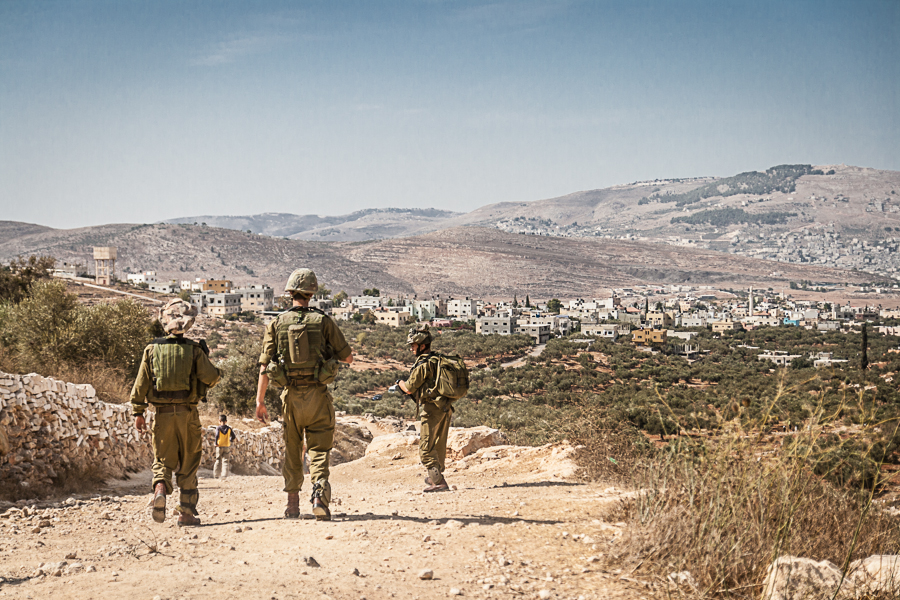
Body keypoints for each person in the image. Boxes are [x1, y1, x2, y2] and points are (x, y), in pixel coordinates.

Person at [255, 268, 353, 521]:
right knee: (319, 449)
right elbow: (348, 357)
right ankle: (319, 495)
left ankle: (292, 504)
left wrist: (260, 401)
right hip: (318, 395)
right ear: (312, 293)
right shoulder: (323, 321)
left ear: (290, 293)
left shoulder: (276, 323)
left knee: (292, 448)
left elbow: (265, 367)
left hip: (290, 398)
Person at [131, 298, 221, 526]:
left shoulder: (152, 349)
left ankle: (160, 488)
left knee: (162, 459)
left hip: (161, 416)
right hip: (187, 414)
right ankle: (186, 513)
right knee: (189, 462)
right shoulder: (194, 350)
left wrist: (138, 412)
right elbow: (212, 378)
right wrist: (206, 358)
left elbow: (140, 385)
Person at [397, 323, 453, 493]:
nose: (411, 349)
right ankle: (435, 475)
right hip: (445, 407)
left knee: (426, 449)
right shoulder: (438, 359)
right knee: (438, 445)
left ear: (422, 345)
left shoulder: (423, 364)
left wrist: (399, 383)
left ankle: (439, 481)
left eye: (413, 346)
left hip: (431, 409)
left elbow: (409, 388)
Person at [213, 414, 237, 479]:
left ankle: (216, 475)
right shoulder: (229, 429)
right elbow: (234, 436)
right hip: (226, 446)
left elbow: (217, 435)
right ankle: (224, 475)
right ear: (226, 421)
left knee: (218, 460)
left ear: (219, 420)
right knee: (226, 461)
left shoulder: (218, 428)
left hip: (219, 446)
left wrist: (215, 443)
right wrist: (231, 440)